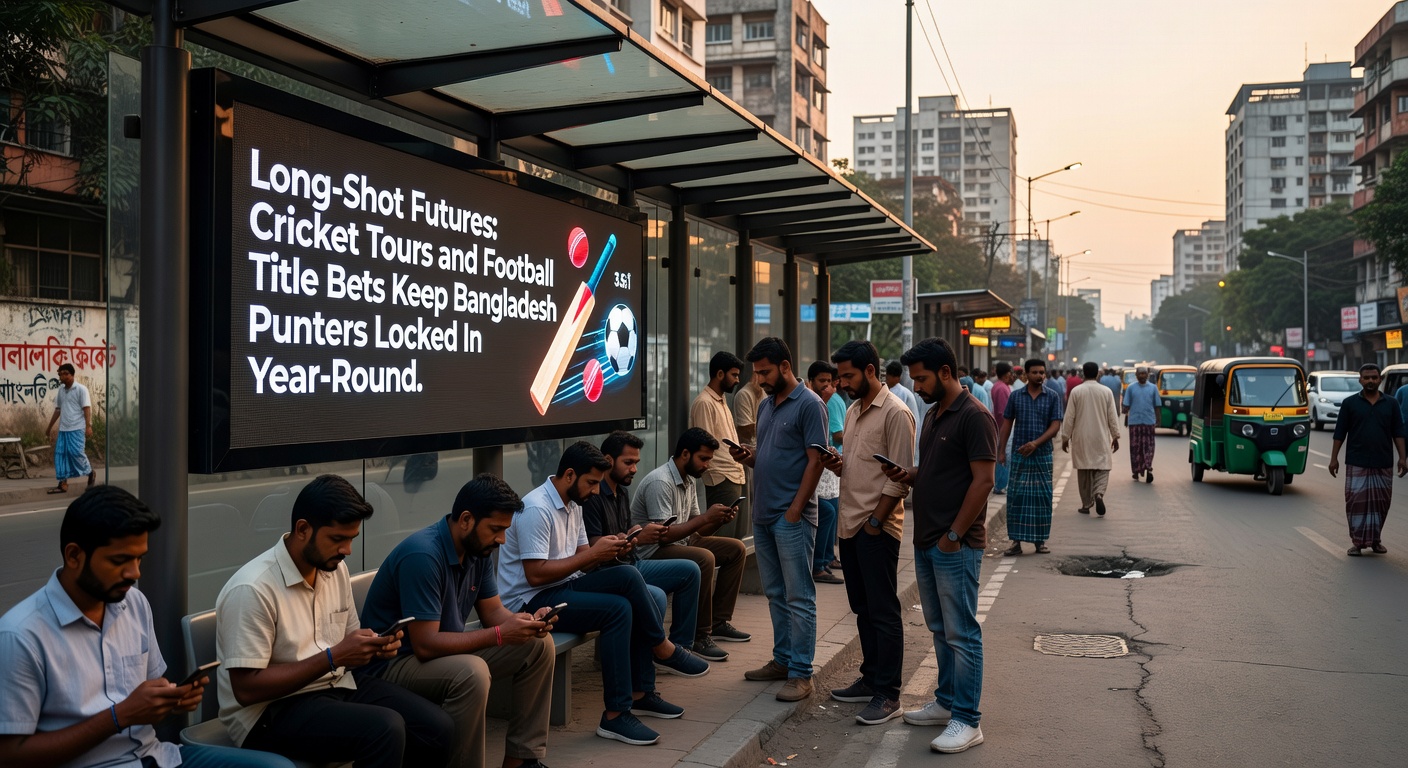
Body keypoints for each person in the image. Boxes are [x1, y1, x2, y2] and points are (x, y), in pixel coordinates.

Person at [0, 486, 294, 768]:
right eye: (120, 561)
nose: (134, 573)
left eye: (139, 558)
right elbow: (10, 755)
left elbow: (145, 707)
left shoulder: (134, 604)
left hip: (156, 757)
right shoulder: (22, 635)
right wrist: (119, 716)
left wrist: (170, 704)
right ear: (74, 555)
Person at [216, 474, 454, 768]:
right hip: (268, 712)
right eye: (337, 539)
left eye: (351, 539)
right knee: (384, 728)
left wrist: (374, 648)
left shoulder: (333, 570)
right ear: (303, 529)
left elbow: (347, 648)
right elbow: (246, 689)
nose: (347, 551)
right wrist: (334, 656)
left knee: (438, 726)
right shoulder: (253, 588)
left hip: (334, 685)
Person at [497, 441, 708, 747]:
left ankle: (639, 693)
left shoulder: (572, 504)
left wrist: (612, 548)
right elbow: (536, 573)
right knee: (618, 609)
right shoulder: (537, 508)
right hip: (531, 601)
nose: (596, 491)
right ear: (570, 475)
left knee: (627, 574)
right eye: (592, 482)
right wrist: (593, 555)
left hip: (562, 586)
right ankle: (624, 701)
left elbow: (583, 553)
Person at [359, 474, 556, 768]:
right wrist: (501, 635)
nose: (502, 540)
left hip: (437, 653)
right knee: (471, 673)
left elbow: (493, 614)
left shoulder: (478, 550)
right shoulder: (423, 554)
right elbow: (426, 645)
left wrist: (525, 622)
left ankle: (522, 761)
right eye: (496, 529)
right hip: (393, 663)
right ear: (465, 519)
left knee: (539, 645)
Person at [885, 337, 996, 754]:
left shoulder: (974, 416)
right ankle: (946, 702)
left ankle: (968, 720)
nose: (916, 387)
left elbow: (983, 480)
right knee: (939, 628)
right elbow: (936, 471)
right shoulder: (933, 415)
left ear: (946, 372)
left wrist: (954, 536)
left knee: (962, 632)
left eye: (922, 378)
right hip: (927, 540)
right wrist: (911, 474)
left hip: (954, 544)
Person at [817, 340, 915, 726]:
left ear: (870, 371)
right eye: (840, 376)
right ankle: (870, 677)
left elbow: (900, 479)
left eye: (847, 376)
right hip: (850, 524)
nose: (841, 384)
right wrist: (838, 465)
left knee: (883, 611)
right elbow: (863, 469)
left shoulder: (896, 413)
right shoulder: (856, 409)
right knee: (862, 608)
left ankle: (888, 694)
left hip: (876, 527)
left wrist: (875, 522)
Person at [728, 336, 827, 702]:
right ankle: (782, 660)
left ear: (785, 366)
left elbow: (815, 460)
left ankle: (801, 673)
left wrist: (796, 509)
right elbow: (770, 455)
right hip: (765, 515)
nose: (760, 379)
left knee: (799, 596)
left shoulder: (810, 404)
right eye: (757, 373)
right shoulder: (766, 405)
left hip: (791, 516)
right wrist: (749, 456)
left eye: (765, 372)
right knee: (775, 594)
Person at [584, 431, 708, 659]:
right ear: (608, 460)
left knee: (691, 570)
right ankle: (654, 654)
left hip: (631, 563)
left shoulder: (621, 491)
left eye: (636, 463)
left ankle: (682, 646)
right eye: (628, 463)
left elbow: (621, 534)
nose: (634, 469)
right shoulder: (592, 495)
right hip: (613, 570)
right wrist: (639, 538)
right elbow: (594, 546)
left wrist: (632, 535)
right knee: (658, 593)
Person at [630, 427, 751, 662]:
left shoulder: (688, 479)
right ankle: (698, 636)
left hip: (679, 542)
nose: (706, 465)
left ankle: (718, 622)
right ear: (685, 454)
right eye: (703, 459)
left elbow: (696, 527)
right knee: (703, 558)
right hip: (651, 552)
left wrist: (716, 520)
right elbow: (662, 536)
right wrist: (705, 518)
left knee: (736, 549)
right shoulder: (660, 481)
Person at [1328, 364, 1408, 556]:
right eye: (1366, 378)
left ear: (1380, 380)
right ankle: (1357, 542)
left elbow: (1398, 432)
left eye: (1374, 377)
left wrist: (1403, 458)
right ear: (1360, 380)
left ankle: (1375, 540)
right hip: (1357, 461)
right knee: (1356, 503)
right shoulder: (1349, 404)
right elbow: (1340, 432)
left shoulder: (1391, 403)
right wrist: (1333, 459)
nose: (1370, 381)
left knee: (1381, 503)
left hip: (1383, 461)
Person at [997, 359, 1064, 556]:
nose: (1039, 376)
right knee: (1016, 496)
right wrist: (1001, 450)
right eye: (1035, 372)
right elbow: (1007, 424)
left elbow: (1055, 426)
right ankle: (1015, 542)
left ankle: (1039, 541)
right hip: (1020, 454)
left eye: (1042, 372)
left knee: (1042, 497)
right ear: (1026, 374)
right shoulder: (1016, 396)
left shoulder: (1052, 396)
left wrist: (1036, 443)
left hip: (1042, 455)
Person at [691, 351, 751, 539]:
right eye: (733, 375)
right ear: (719, 374)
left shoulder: (721, 400)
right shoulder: (704, 402)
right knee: (723, 541)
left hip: (733, 476)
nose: (737, 380)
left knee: (733, 540)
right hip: (721, 478)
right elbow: (705, 446)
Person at [1060, 362, 1121, 517]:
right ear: (1097, 374)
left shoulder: (1076, 391)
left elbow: (1069, 417)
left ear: (1083, 374)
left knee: (1084, 470)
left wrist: (1065, 437)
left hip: (1081, 437)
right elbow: (1112, 417)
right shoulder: (1106, 392)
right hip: (1100, 436)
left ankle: (1086, 504)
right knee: (1102, 467)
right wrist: (1115, 436)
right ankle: (1099, 493)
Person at [805, 361, 844, 585]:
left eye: (829, 382)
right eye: (821, 381)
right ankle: (819, 564)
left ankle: (823, 560)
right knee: (827, 511)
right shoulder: (812, 403)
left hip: (820, 468)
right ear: (811, 382)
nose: (826, 386)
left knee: (830, 510)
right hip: (805, 473)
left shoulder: (824, 403)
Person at [46, 362, 96, 494]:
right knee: (60, 455)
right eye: (60, 374)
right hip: (64, 429)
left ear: (72, 375)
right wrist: (49, 427)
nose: (62, 377)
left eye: (65, 374)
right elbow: (58, 409)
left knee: (76, 453)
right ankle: (62, 484)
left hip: (77, 428)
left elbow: (86, 408)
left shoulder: (81, 389)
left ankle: (90, 473)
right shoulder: (61, 391)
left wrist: (88, 426)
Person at [1122, 366, 1160, 483]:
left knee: (1149, 447)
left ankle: (1148, 468)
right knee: (1135, 448)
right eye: (1140, 374)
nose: (1142, 376)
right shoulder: (1131, 388)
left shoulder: (1153, 388)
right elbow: (1126, 405)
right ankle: (1136, 471)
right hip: (1135, 422)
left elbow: (1157, 405)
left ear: (1147, 375)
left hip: (1149, 422)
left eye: (1144, 374)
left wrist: (1158, 419)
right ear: (1136, 375)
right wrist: (1125, 414)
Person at [990, 363, 1016, 496]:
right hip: (1004, 427)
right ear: (1006, 374)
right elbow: (1002, 412)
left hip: (1004, 427)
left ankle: (1002, 483)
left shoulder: (1001, 387)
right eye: (1011, 373)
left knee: (1004, 454)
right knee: (1004, 455)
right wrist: (1004, 431)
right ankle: (1001, 485)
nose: (1013, 376)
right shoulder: (1001, 388)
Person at [733, 368, 766, 445]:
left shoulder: (765, 392)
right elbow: (745, 430)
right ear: (755, 374)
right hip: (749, 448)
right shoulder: (743, 394)